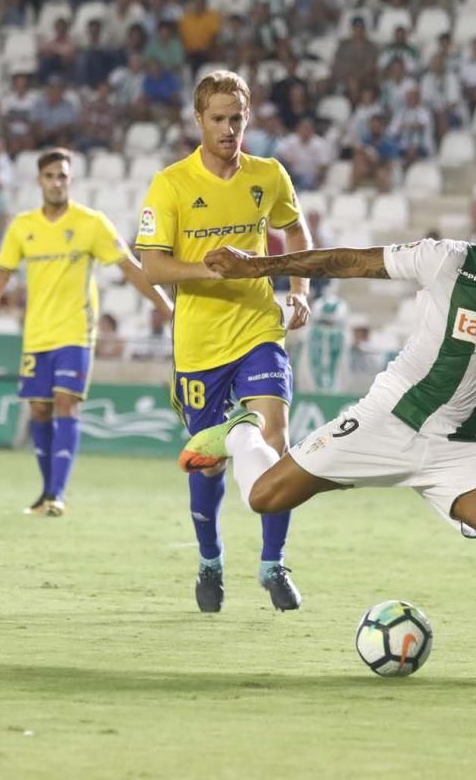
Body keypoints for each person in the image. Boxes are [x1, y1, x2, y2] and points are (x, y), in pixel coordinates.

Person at [187, 185, 476, 683]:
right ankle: (241, 433)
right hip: (387, 422)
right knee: (264, 498)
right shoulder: (445, 262)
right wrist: (256, 267)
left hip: (462, 451)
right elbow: (348, 261)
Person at [134, 71, 313, 614]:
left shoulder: (268, 175)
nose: (229, 128)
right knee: (208, 464)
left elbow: (297, 232)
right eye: (218, 118)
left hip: (258, 328)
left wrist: (299, 288)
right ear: (198, 119)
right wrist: (213, 273)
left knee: (276, 439)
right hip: (199, 345)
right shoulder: (171, 184)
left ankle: (273, 564)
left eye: (237, 118)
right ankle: (210, 560)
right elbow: (151, 266)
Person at [0, 148, 171, 517]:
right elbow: (0, 277)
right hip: (37, 333)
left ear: (71, 180)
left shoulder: (91, 223)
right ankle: (46, 494)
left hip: (75, 330)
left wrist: (166, 306)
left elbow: (130, 268)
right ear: (39, 181)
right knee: (39, 409)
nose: (57, 182)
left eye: (62, 176)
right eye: (50, 176)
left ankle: (57, 493)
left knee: (65, 402)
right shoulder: (23, 227)